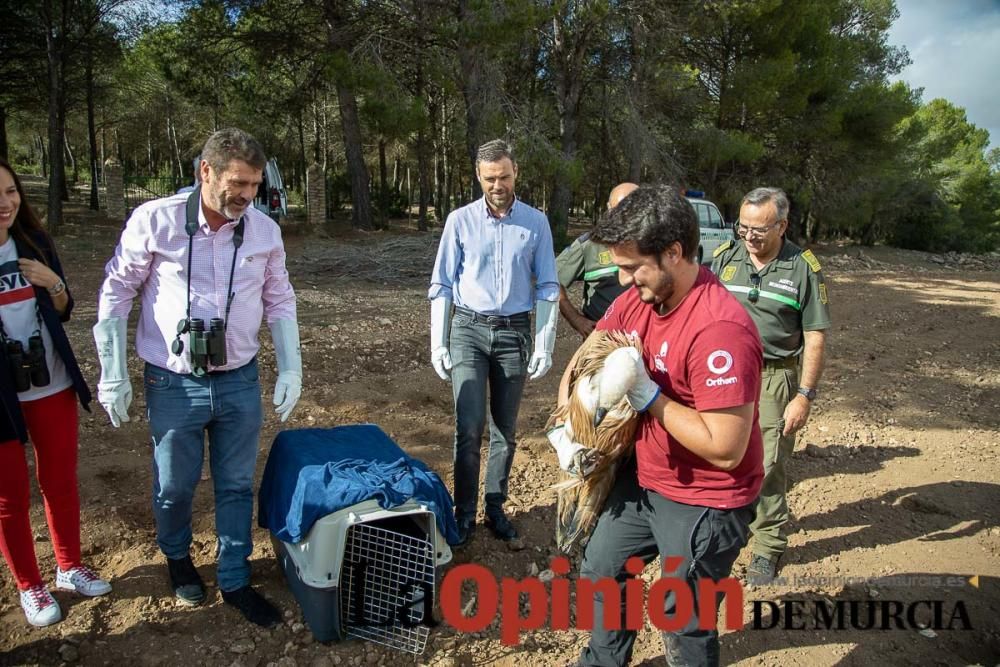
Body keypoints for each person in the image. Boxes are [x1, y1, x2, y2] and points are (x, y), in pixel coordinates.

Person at [94, 128, 302, 627]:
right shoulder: (155, 220)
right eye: (237, 183)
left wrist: (292, 365)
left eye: (254, 185)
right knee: (175, 486)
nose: (247, 196)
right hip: (173, 382)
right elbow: (116, 291)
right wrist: (112, 372)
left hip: (238, 379)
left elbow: (280, 297)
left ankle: (234, 576)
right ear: (204, 171)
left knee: (235, 486)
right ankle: (178, 557)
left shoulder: (262, 231)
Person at [549, 185, 764, 666]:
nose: (624, 281)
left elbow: (726, 447)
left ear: (674, 252)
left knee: (680, 613)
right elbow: (588, 355)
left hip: (707, 495)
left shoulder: (719, 329)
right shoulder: (639, 299)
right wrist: (570, 424)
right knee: (602, 570)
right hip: (648, 476)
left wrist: (649, 396)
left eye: (632, 267)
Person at [428, 139, 559, 548]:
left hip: (513, 332)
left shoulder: (536, 223)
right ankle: (463, 512)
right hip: (467, 328)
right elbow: (442, 283)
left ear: (515, 171)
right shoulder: (460, 221)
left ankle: (495, 506)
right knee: (469, 426)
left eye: (503, 176)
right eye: (489, 178)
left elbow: (549, 285)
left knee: (505, 428)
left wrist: (544, 342)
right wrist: (439, 340)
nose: (497, 184)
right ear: (478, 177)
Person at [0, 159, 112, 627]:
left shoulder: (34, 244)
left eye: (10, 192)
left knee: (60, 481)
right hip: (2, 395)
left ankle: (68, 566)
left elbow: (64, 310)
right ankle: (30, 586)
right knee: (8, 496)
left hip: (51, 382)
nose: (5, 204)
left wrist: (55, 284)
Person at [711, 186, 830, 585]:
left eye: (759, 229)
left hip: (775, 377)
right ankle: (729, 527)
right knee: (720, 452)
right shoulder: (724, 258)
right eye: (742, 227)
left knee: (768, 464)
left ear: (782, 224)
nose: (749, 237)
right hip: (724, 374)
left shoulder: (803, 268)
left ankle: (768, 547)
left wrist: (804, 395)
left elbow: (814, 336)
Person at [555, 182, 637, 337]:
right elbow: (551, 280)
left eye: (633, 210)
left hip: (645, 340)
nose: (625, 216)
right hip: (602, 339)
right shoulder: (590, 245)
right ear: (609, 208)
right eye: (619, 210)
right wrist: (576, 319)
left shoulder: (655, 245)